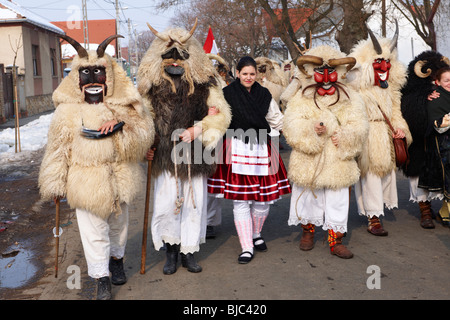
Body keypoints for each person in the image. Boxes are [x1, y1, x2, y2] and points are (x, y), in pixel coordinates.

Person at [38, 35, 154, 300]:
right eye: (85, 72)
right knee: (93, 233)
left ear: (109, 76)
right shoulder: (66, 112)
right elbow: (58, 149)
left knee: (119, 228)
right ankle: (101, 278)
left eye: (99, 71)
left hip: (120, 177)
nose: (92, 78)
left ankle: (117, 260)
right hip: (85, 181)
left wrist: (121, 126)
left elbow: (144, 135)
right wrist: (55, 183)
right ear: (76, 77)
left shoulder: (125, 106)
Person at [138, 20, 231, 275]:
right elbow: (142, 120)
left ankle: (189, 252)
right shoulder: (151, 87)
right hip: (165, 156)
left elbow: (222, 115)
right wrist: (146, 146)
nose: (176, 62)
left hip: (195, 154)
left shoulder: (207, 84)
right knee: (168, 204)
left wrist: (198, 129)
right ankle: (171, 252)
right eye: (169, 57)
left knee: (193, 204)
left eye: (181, 57)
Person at [284, 45, 368, 259]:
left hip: (338, 156)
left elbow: (360, 124)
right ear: (312, 71)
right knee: (308, 197)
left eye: (330, 71)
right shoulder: (302, 97)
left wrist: (346, 136)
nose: (326, 77)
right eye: (320, 71)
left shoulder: (351, 96)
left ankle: (335, 239)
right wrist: (311, 129)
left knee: (338, 198)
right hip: (309, 157)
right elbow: (291, 123)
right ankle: (308, 232)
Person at [207, 56, 291, 264]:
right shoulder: (226, 94)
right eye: (244, 73)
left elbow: (277, 119)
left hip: (263, 147)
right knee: (242, 200)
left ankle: (256, 234)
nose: (248, 77)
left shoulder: (264, 94)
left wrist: (297, 134)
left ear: (257, 75)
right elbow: (217, 120)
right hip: (236, 147)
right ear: (237, 73)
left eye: (252, 74)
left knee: (263, 200)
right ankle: (246, 247)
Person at [350, 22, 412, 236]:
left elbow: (395, 111)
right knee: (370, 176)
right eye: (378, 61)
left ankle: (378, 211)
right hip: (367, 137)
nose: (384, 66)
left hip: (385, 137)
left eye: (387, 61)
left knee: (385, 175)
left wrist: (400, 129)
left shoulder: (390, 89)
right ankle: (373, 217)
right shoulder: (356, 88)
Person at [400, 51, 450, 229]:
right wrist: (423, 98)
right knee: (418, 174)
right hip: (420, 141)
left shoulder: (442, 91)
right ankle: (425, 210)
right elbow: (410, 111)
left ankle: (444, 209)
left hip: (439, 141)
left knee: (443, 174)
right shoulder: (412, 93)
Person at [418, 66, 450, 227]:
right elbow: (437, 124)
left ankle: (444, 213)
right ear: (437, 82)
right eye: (446, 80)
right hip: (444, 145)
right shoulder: (435, 99)